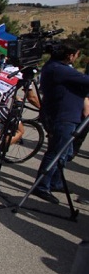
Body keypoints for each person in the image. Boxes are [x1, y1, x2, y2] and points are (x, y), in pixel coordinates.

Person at [32, 40, 89, 204]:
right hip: (62, 116)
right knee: (55, 152)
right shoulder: (59, 69)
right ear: (70, 55)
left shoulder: (55, 66)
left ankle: (55, 182)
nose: (77, 57)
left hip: (68, 115)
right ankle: (41, 186)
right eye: (76, 54)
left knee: (64, 153)